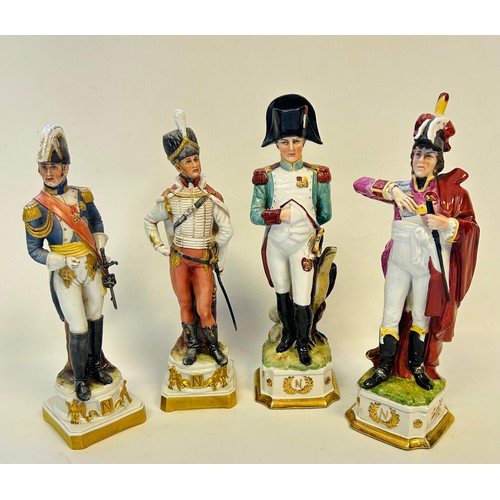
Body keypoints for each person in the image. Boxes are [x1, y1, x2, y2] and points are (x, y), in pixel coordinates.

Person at [353, 93, 479, 390]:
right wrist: (390, 190)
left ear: (437, 162)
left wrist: (448, 223)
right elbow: (359, 183)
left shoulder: (450, 195)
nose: (421, 161)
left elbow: (470, 226)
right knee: (391, 312)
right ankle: (384, 366)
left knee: (421, 315)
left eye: (428, 156)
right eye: (417, 154)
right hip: (400, 261)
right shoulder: (401, 189)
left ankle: (417, 366)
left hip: (427, 266)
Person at [23, 123, 116, 402]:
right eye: (44, 167)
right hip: (65, 272)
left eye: (54, 166)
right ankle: (79, 378)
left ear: (66, 167)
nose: (49, 173)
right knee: (78, 325)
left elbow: (96, 220)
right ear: (38, 170)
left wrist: (99, 241)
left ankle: (95, 365)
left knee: (96, 315)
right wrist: (59, 258)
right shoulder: (35, 208)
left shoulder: (83, 195)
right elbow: (34, 250)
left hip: (91, 265)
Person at [144, 109, 233, 367]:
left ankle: (212, 346)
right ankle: (192, 346)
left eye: (196, 159)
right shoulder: (170, 197)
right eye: (188, 161)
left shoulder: (210, 196)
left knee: (204, 308)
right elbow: (150, 220)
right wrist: (160, 246)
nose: (194, 165)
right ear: (177, 166)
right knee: (185, 304)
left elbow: (226, 229)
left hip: (203, 259)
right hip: (179, 260)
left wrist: (218, 253)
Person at [250, 94, 332, 366]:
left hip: (302, 246)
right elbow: (255, 214)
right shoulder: (266, 176)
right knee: (282, 290)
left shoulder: (317, 175)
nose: (291, 147)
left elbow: (325, 213)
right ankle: (287, 334)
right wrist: (277, 215)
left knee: (303, 295)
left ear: (304, 141)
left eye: (296, 141)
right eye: (285, 142)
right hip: (276, 244)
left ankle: (303, 341)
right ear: (276, 144)